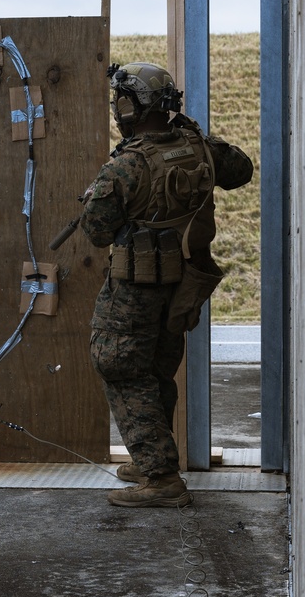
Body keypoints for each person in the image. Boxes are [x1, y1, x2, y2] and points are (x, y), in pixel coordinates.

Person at [79, 62, 253, 508]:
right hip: (182, 286)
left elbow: (97, 230)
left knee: (120, 366)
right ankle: (151, 456)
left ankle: (160, 477)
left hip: (134, 290)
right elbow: (241, 169)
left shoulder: (128, 165)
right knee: (156, 368)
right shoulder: (198, 147)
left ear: (130, 107)